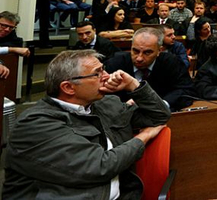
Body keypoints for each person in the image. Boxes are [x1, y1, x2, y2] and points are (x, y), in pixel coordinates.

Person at [3, 49, 170, 199]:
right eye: (97, 74)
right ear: (68, 87)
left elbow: (159, 116)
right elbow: (100, 166)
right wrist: (144, 136)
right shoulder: (36, 123)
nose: (107, 76)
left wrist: (133, 85)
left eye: (103, 69)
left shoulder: (105, 103)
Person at [105, 27, 194, 112]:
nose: (139, 58)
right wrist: (122, 106)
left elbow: (186, 90)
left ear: (159, 51)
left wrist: (162, 104)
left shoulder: (172, 62)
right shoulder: (115, 63)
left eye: (147, 52)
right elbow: (103, 95)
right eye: (135, 51)